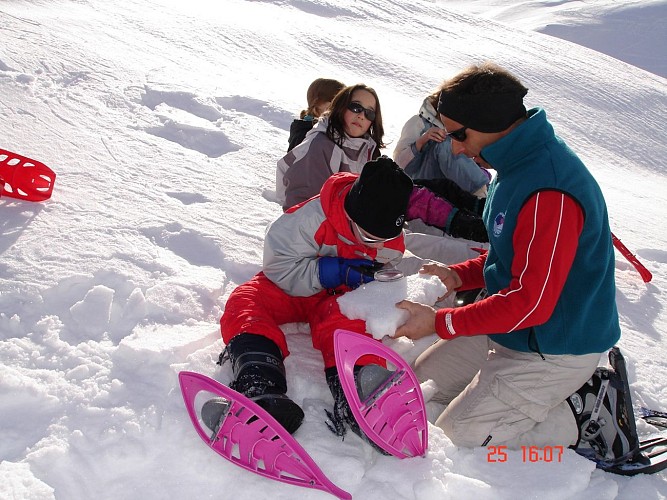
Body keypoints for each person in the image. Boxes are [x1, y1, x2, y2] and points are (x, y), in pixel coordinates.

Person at [394, 62, 632, 463]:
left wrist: (440, 322)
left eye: (459, 135)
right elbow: (512, 254)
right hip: (511, 325)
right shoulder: (513, 166)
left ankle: (584, 413)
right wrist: (459, 275)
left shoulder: (549, 189)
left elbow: (533, 301)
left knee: (462, 439)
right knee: (417, 388)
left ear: (489, 124)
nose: (454, 147)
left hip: (555, 345)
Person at [204, 157, 413, 446]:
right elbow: (278, 267)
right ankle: (260, 384)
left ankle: (364, 387)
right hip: (291, 285)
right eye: (367, 236)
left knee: (349, 322)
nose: (375, 245)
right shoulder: (309, 219)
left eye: (384, 239)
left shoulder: (389, 241)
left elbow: (386, 275)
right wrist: (329, 270)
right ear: (351, 215)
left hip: (335, 298)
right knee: (247, 300)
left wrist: (374, 283)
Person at [277, 83, 488, 241]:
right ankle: (473, 230)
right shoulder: (321, 144)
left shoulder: (364, 144)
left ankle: (485, 210)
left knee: (436, 191)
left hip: (368, 217)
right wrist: (420, 144)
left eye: (369, 113)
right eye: (356, 107)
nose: (361, 116)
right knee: (420, 204)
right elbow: (304, 206)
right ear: (339, 106)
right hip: (350, 230)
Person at [393, 84, 491, 197]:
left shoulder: (461, 129)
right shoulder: (417, 122)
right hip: (420, 184)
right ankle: (482, 195)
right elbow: (399, 165)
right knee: (445, 144)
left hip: (449, 188)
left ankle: (483, 194)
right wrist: (422, 141)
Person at [287, 78, 345, 152]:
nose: (340, 109)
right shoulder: (304, 134)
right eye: (335, 104)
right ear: (317, 103)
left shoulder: (331, 129)